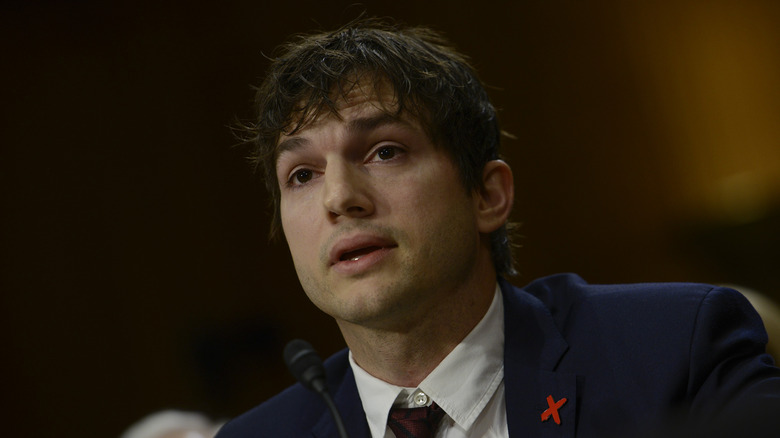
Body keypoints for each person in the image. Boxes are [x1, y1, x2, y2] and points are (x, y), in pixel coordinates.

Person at [215, 18, 780, 438]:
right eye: (302, 175)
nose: (339, 198)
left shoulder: (674, 349)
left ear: (488, 195)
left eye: (385, 151)